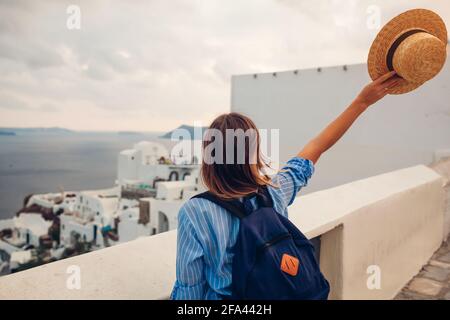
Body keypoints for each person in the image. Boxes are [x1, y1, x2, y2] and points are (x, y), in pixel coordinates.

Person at [170, 71, 400, 299]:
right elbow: (316, 147)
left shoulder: (195, 212)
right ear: (253, 152)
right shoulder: (275, 191)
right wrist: (362, 102)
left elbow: (189, 290)